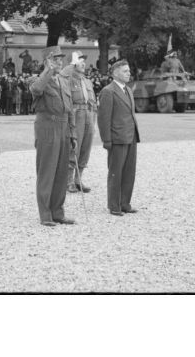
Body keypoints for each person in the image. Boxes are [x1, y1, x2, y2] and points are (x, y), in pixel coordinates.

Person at [30, 46, 77, 227]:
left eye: (60, 59)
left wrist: (72, 133)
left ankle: (58, 212)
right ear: (47, 61)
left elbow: (69, 108)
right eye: (55, 59)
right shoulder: (38, 79)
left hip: (63, 127)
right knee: (47, 171)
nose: (59, 62)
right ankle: (45, 214)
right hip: (47, 127)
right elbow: (36, 89)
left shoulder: (63, 81)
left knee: (61, 172)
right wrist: (48, 70)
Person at [97, 60, 140, 216]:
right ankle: (114, 205)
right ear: (115, 73)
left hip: (130, 136)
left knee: (129, 172)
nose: (129, 73)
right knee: (115, 172)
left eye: (129, 71)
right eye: (125, 71)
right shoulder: (108, 91)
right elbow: (103, 118)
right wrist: (106, 140)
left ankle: (125, 203)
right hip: (117, 138)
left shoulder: (128, 90)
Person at [60, 51, 97, 194]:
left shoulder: (87, 81)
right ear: (73, 63)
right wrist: (71, 64)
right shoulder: (68, 79)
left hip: (88, 114)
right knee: (74, 147)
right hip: (76, 115)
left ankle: (78, 179)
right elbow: (62, 75)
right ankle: (68, 181)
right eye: (80, 61)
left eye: (84, 61)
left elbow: (92, 102)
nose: (83, 63)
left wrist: (93, 120)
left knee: (85, 149)